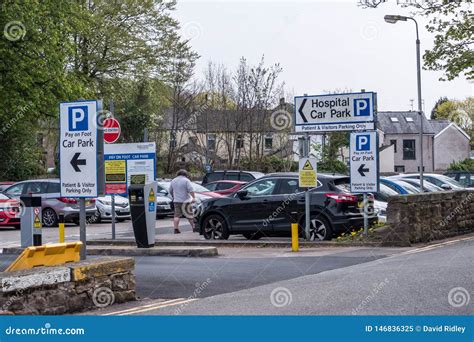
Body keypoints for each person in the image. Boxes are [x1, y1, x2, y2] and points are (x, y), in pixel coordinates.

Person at [169, 169, 195, 234]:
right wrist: (193, 197)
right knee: (189, 215)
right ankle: (194, 228)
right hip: (186, 201)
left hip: (176, 201)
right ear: (185, 174)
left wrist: (174, 196)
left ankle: (176, 229)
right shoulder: (186, 180)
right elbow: (191, 190)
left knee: (176, 215)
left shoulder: (173, 180)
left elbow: (170, 190)